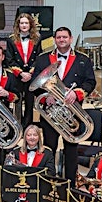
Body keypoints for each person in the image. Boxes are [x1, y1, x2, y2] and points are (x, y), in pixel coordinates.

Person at [30, 26, 95, 181]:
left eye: (65, 37)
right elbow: (34, 84)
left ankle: (70, 185)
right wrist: (46, 97)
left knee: (71, 150)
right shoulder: (43, 59)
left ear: (71, 39)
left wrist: (77, 93)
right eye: (58, 37)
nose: (61, 40)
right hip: (50, 112)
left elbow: (90, 82)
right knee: (49, 148)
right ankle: (48, 182)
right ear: (55, 40)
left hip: (72, 112)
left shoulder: (83, 59)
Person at [5, 13, 43, 126]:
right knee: (17, 102)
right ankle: (17, 127)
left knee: (29, 103)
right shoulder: (11, 40)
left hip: (31, 76)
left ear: (31, 24)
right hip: (17, 76)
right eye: (22, 23)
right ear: (18, 25)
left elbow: (39, 57)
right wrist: (21, 73)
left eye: (26, 23)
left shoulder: (37, 38)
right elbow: (9, 59)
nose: (24, 25)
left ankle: (28, 128)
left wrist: (30, 73)